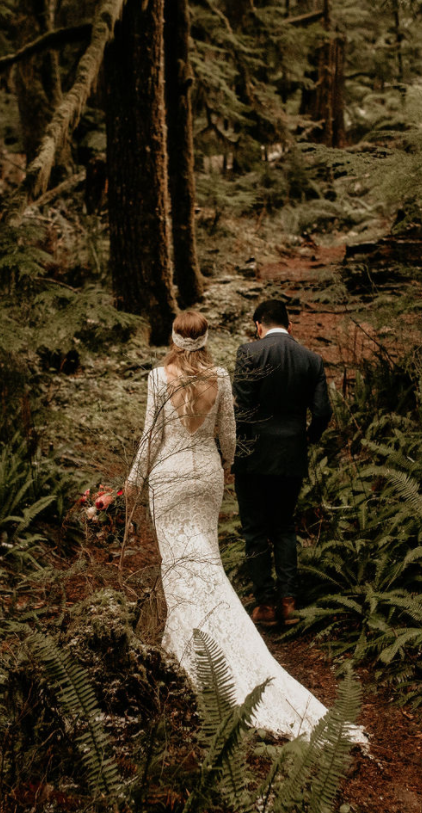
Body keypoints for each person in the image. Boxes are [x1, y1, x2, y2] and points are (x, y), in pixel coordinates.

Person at [125, 310, 361, 742]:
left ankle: (184, 654)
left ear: (174, 338)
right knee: (207, 561)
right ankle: (223, 641)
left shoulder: (158, 379)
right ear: (206, 338)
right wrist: (228, 466)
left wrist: (130, 486)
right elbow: (229, 433)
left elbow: (149, 438)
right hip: (207, 478)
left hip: (169, 477)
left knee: (178, 566)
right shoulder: (220, 376)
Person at [231, 299, 331, 627]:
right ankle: (289, 601)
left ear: (258, 325)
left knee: (256, 529)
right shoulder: (311, 360)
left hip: (253, 455)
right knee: (285, 526)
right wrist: (306, 439)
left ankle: (264, 605)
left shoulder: (249, 352)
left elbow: (241, 408)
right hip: (291, 454)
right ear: (290, 327)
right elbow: (322, 412)